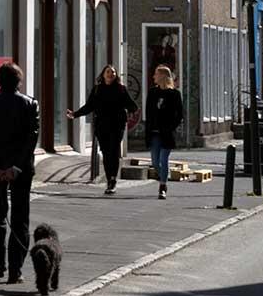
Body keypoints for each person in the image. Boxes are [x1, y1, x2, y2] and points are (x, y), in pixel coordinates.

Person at [0, 62, 40, 284]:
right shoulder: (30, 104)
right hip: (21, 170)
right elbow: (31, 139)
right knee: (20, 216)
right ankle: (16, 268)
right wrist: (16, 167)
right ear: (19, 82)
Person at [66, 65, 138, 195]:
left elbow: (132, 105)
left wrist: (130, 111)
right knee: (106, 152)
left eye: (113, 72)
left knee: (114, 151)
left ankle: (112, 180)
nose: (111, 74)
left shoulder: (121, 89)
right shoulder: (97, 89)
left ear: (116, 75)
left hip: (117, 125)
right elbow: (89, 106)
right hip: (102, 126)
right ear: (103, 74)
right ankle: (109, 178)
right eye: (108, 72)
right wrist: (75, 114)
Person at [145, 65, 183, 200]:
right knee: (155, 162)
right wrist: (148, 129)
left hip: (166, 133)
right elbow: (148, 112)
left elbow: (179, 114)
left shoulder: (174, 94)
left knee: (163, 159)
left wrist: (171, 127)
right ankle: (163, 177)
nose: (153, 76)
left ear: (162, 76)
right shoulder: (152, 92)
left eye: (156, 73)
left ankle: (162, 186)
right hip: (154, 132)